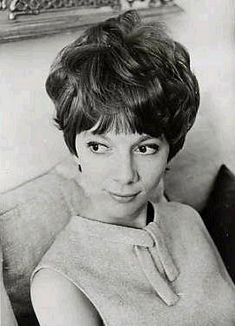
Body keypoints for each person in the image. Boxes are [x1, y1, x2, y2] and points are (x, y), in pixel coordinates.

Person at [30, 10, 235, 326]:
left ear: (170, 149)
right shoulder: (61, 284)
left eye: (145, 148)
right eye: (99, 147)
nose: (125, 175)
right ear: (75, 149)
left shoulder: (188, 220)